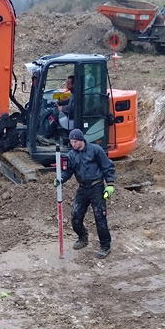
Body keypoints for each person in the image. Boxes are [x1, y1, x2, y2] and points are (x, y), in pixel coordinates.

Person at [54, 128, 115, 259]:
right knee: (75, 216)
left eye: (75, 142)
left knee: (100, 218)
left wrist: (110, 184)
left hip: (97, 187)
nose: (73, 144)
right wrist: (61, 179)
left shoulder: (95, 150)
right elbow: (68, 171)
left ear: (81, 140)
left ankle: (105, 246)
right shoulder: (71, 155)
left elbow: (107, 166)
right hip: (83, 188)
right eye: (71, 142)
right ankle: (83, 237)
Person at [45, 75, 75, 141]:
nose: (66, 85)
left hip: (75, 115)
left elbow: (73, 107)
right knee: (52, 115)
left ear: (74, 84)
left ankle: (47, 137)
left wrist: (62, 108)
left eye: (68, 84)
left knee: (54, 118)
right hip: (71, 112)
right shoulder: (73, 93)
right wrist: (59, 103)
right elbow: (69, 100)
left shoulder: (78, 94)